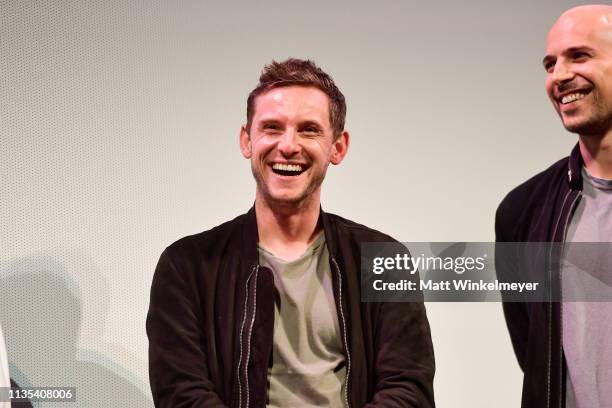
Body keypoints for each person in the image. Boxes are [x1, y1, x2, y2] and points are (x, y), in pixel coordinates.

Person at [146, 59, 435, 407]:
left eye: (308, 129)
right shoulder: (186, 267)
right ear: (246, 141)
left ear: (337, 147)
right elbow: (181, 395)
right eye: (271, 127)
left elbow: (408, 390)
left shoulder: (385, 261)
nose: (288, 145)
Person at [495, 5, 612, 408]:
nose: (559, 76)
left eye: (579, 56)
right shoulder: (521, 212)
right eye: (550, 64)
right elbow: (534, 356)